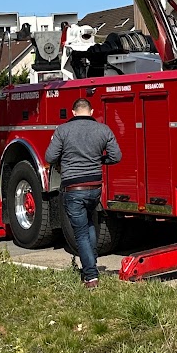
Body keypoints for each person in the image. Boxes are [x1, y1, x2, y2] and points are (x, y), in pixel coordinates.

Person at [44, 96, 121, 288]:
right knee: (90, 224)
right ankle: (91, 260)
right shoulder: (103, 130)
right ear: (91, 112)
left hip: (73, 187)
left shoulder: (63, 130)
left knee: (81, 233)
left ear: (73, 112)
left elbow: (49, 156)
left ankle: (90, 275)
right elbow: (116, 156)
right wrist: (100, 161)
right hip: (95, 187)